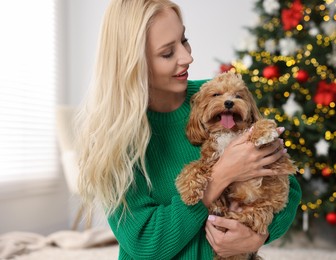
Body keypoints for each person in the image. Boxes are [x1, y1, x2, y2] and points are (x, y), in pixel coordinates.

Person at [76, 0, 302, 259]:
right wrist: (220, 177)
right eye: (167, 53)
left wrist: (258, 235)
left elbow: (287, 185)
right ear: (133, 63)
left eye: (184, 40)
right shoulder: (113, 137)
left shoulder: (217, 99)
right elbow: (144, 241)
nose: (187, 57)